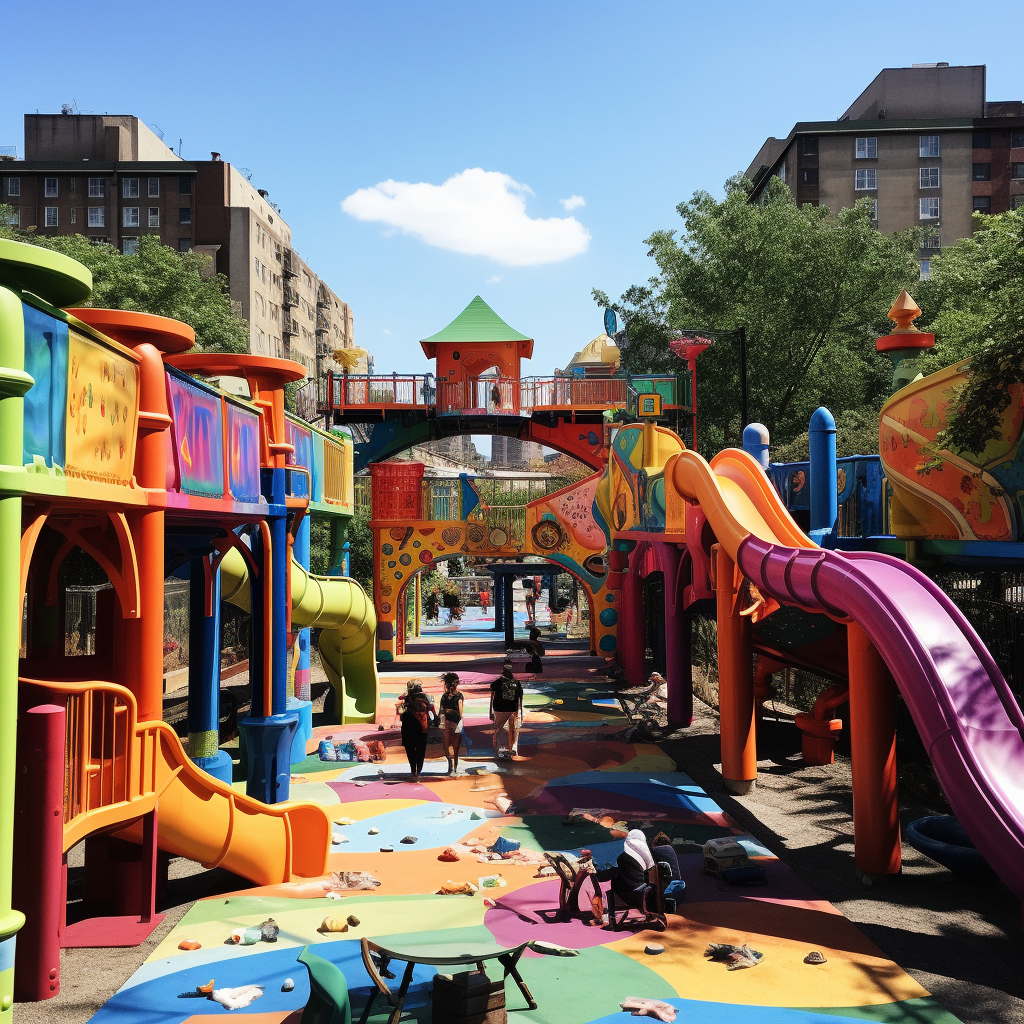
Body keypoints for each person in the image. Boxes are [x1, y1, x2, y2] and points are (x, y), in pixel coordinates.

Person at [396, 680, 435, 780]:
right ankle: (418, 770)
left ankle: (413, 770)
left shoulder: (407, 698)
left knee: (410, 749)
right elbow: (431, 708)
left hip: (409, 725)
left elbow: (399, 699)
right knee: (420, 750)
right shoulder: (425, 697)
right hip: (422, 726)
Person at [489, 662, 523, 759]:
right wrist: (520, 712)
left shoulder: (498, 682)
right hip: (511, 709)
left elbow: (492, 695)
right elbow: (520, 698)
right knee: (511, 729)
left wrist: (491, 711)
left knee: (501, 729)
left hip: (501, 709)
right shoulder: (516, 683)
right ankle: (510, 749)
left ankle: (502, 748)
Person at [438, 672, 465, 775]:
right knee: (446, 745)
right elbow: (441, 710)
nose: (450, 686)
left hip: (456, 722)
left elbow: (460, 712)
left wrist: (447, 711)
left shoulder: (459, 696)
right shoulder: (444, 696)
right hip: (447, 722)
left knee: (455, 746)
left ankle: (455, 766)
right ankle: (450, 763)